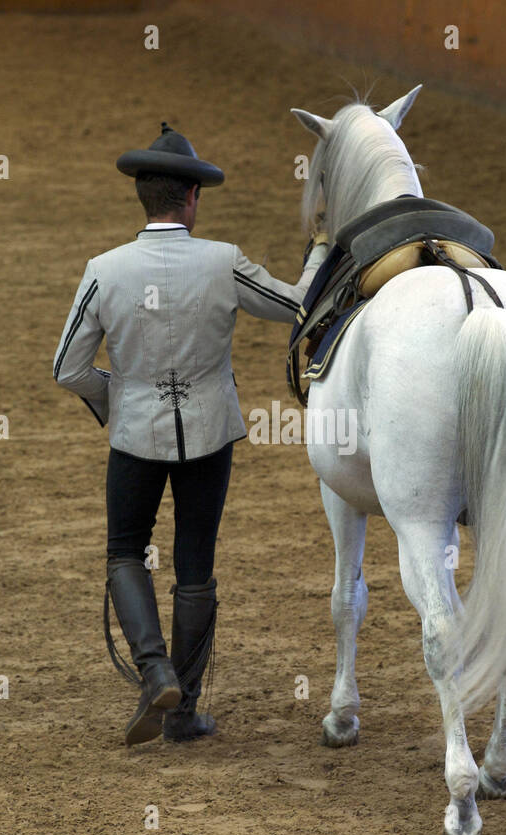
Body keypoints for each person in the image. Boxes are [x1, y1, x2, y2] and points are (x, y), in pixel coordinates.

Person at [53, 122, 329, 746]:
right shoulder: (222, 262)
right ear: (192, 198)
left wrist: (118, 399)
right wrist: (319, 247)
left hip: (134, 437)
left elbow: (66, 367)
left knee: (126, 551)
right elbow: (297, 306)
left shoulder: (105, 269)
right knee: (195, 564)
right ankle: (184, 711)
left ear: (143, 197)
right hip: (209, 435)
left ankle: (155, 674)